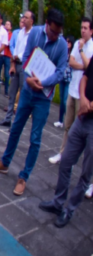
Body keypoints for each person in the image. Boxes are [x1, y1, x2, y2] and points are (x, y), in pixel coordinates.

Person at [0, 8, 69, 196]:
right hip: (28, 90)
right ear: (47, 24)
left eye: (59, 32)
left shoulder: (62, 45)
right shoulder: (35, 34)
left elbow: (60, 71)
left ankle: (24, 177)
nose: (56, 35)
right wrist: (30, 78)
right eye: (53, 31)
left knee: (35, 138)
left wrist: (43, 82)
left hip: (44, 97)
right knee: (15, 128)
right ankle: (4, 163)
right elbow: (26, 57)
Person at [38, 37, 93, 228]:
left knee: (86, 174)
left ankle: (69, 210)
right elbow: (86, 77)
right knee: (66, 160)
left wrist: (90, 106)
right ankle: (58, 202)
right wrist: (84, 99)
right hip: (83, 118)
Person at [49, 18, 92, 164]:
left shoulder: (90, 47)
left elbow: (89, 67)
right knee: (67, 126)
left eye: (86, 28)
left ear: (91, 31)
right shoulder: (77, 43)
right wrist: (84, 66)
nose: (83, 30)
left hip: (84, 94)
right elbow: (71, 62)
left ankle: (76, 160)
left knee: (81, 129)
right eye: (82, 27)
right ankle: (62, 153)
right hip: (73, 90)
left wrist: (81, 51)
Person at [0, 13, 33, 126]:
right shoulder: (20, 32)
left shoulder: (33, 34)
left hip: (25, 65)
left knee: (22, 94)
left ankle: (17, 122)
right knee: (12, 93)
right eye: (23, 17)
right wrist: (12, 64)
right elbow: (16, 48)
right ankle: (8, 119)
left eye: (26, 18)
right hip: (16, 63)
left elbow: (30, 50)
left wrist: (19, 57)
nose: (23, 19)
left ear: (32, 20)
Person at [3, 20, 13, 96]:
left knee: (7, 74)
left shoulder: (11, 35)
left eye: (8, 24)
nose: (6, 25)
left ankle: (6, 90)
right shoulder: (2, 33)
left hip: (8, 55)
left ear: (11, 27)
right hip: (1, 54)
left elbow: (10, 44)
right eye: (6, 24)